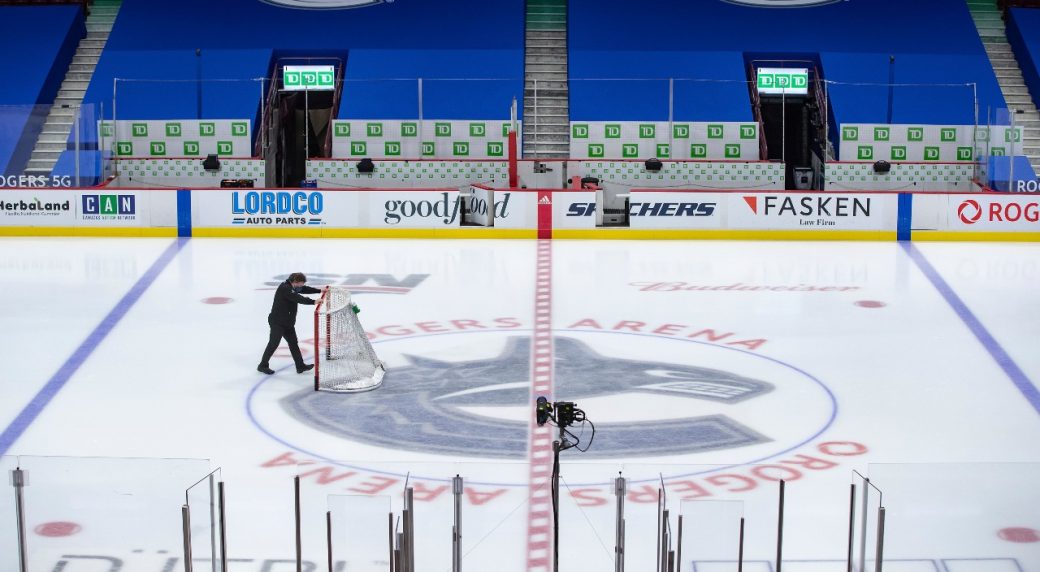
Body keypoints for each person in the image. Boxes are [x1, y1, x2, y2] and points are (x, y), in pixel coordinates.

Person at [257, 272, 321, 375]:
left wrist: (320, 290)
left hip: (287, 323)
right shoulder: (285, 288)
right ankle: (262, 365)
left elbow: (304, 289)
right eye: (300, 284)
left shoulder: (293, 286)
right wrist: (313, 302)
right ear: (295, 282)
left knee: (293, 343)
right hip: (277, 322)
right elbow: (298, 298)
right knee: (273, 344)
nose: (302, 286)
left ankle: (300, 366)